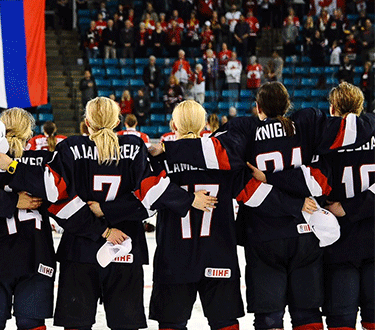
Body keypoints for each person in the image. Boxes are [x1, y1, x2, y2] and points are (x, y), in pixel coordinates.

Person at [156, 82, 375, 330]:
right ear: (288, 104)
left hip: (262, 236)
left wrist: (168, 149)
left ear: (257, 107)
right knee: (307, 315)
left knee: (270, 318)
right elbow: (320, 181)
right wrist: (298, 203)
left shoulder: (244, 129)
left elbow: (241, 184)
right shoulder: (307, 122)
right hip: (305, 234)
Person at [0, 97, 205, 330]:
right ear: (117, 121)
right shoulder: (134, 146)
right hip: (126, 248)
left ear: (86, 122)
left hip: (80, 251)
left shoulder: (69, 147)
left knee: (76, 326)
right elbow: (151, 197)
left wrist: (12, 166)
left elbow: (55, 195)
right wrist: (188, 199)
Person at [144, 100, 310, 330]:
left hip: (174, 258)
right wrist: (296, 204)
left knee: (171, 324)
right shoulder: (223, 160)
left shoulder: (159, 159)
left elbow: (146, 202)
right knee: (225, 324)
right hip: (219, 255)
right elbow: (255, 195)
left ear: (173, 124)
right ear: (204, 125)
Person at [0, 109, 54, 330]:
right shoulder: (44, 160)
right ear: (29, 132)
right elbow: (57, 192)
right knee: (31, 324)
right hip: (36, 253)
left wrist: (8, 198)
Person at [317, 83, 375, 330]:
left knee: (341, 320)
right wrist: (356, 206)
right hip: (372, 236)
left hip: (339, 242)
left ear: (332, 108)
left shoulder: (322, 136)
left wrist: (345, 208)